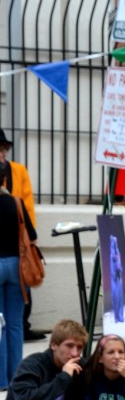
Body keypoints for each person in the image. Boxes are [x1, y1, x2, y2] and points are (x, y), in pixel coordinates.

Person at [0, 128, 45, 341]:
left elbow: (27, 205)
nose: (2, 153)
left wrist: (26, 241)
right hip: (11, 249)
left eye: (3, 149)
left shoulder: (18, 171)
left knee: (14, 317)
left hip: (17, 242)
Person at [0, 186, 37, 389]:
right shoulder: (15, 202)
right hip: (17, 265)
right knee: (15, 323)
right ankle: (16, 378)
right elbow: (31, 234)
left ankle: (1, 380)